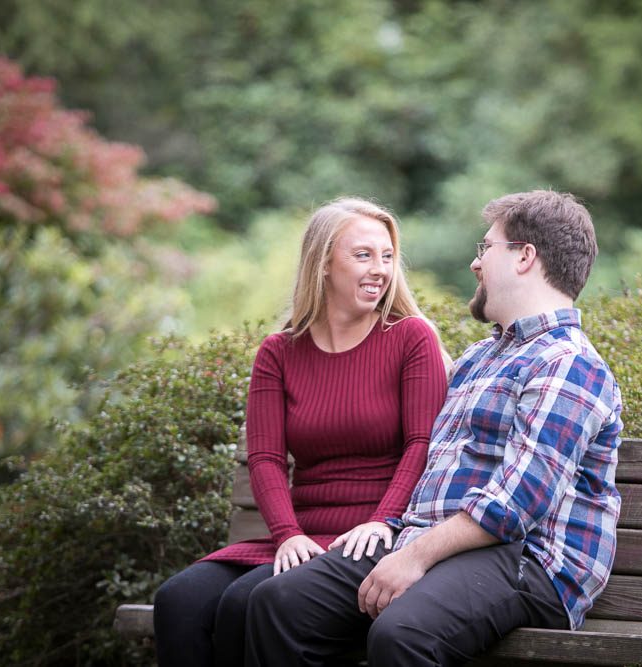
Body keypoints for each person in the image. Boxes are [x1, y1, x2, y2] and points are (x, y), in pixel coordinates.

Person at [245, 190, 623, 666]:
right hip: (437, 542)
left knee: (401, 634)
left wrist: (414, 556)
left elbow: (514, 507)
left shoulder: (567, 364)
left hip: (530, 560)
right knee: (277, 603)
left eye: (486, 248)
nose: (475, 263)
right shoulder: (479, 358)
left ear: (525, 257)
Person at [153, 197, 448, 667]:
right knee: (178, 601)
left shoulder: (410, 338)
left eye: (387, 256)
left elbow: (423, 444)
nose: (380, 270)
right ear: (323, 263)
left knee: (244, 603)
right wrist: (287, 534)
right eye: (363, 255)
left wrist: (382, 519)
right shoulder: (279, 351)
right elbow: (265, 457)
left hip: (373, 537)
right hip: (301, 538)